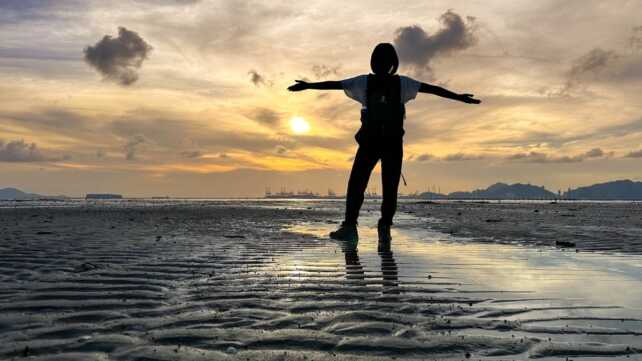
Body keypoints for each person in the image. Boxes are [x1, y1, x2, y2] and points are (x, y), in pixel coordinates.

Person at [288, 43, 480, 243]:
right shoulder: (401, 83)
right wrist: (458, 97)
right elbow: (432, 89)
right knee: (387, 188)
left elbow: (335, 84)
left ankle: (352, 227)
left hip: (371, 143)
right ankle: (382, 227)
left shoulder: (365, 82)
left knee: (358, 185)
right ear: (393, 64)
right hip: (391, 144)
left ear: (375, 62)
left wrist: (308, 86)